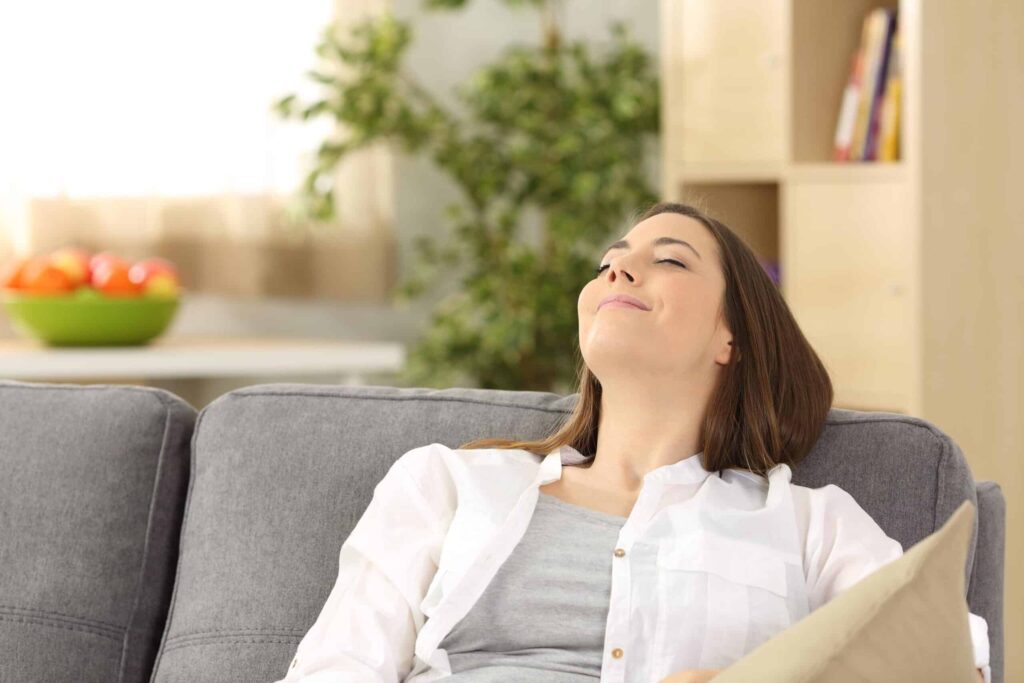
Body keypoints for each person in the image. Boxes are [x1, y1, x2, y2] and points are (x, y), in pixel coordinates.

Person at [276, 201, 990, 683]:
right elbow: (337, 668)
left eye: (670, 260)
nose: (616, 269)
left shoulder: (810, 524)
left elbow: (950, 659)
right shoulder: (446, 483)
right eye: (608, 262)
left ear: (730, 336)